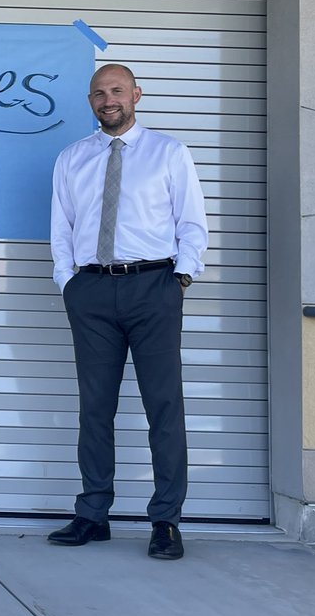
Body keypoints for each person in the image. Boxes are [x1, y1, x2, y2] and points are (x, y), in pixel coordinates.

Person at [47, 63, 207, 560]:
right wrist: (67, 282)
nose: (107, 99)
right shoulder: (72, 158)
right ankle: (93, 514)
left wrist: (180, 278)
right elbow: (61, 227)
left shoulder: (169, 152)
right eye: (98, 93)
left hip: (152, 287)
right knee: (95, 408)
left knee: (164, 407)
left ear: (136, 94)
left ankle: (165, 521)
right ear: (90, 101)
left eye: (116, 90)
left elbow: (192, 222)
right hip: (91, 291)